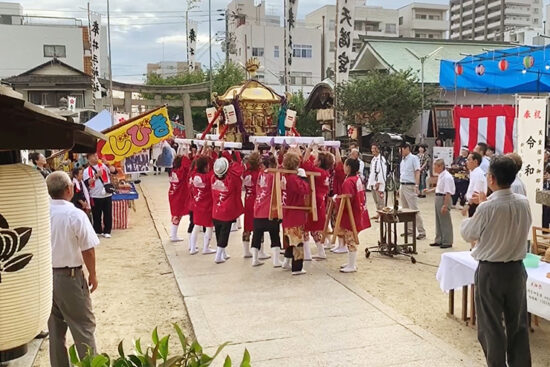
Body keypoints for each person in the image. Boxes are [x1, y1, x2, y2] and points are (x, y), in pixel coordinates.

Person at [461, 156, 532, 367]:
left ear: (491, 178)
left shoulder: (487, 207)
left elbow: (468, 232)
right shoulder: (523, 202)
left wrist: (478, 208)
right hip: (516, 269)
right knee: (517, 324)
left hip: (491, 270)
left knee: (491, 326)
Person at [46, 171, 99, 367]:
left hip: (46, 277)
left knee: (55, 331)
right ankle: (91, 364)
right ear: (69, 189)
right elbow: (88, 250)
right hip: (69, 276)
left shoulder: (42, 212)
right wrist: (93, 274)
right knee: (83, 327)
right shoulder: (74, 214)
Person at [211, 147, 244, 264]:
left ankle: (223, 253)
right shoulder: (231, 180)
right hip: (227, 211)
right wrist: (235, 155)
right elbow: (238, 170)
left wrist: (221, 153)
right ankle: (218, 255)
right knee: (224, 234)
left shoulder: (213, 178)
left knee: (219, 232)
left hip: (216, 210)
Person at [338, 158, 371, 273]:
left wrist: (337, 201)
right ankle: (350, 262)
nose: (343, 166)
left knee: (350, 238)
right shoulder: (356, 179)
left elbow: (347, 198)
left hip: (351, 212)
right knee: (349, 238)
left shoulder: (348, 181)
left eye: (345, 164)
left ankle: (352, 265)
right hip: (357, 210)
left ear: (349, 167)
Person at [301, 144, 334, 260]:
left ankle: (307, 254)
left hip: (313, 200)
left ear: (319, 162)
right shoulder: (326, 172)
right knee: (314, 228)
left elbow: (304, 163)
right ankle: (321, 252)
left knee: (305, 226)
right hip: (320, 201)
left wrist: (309, 149)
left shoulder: (318, 172)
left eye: (316, 159)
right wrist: (314, 150)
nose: (314, 160)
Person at [281, 150, 310, 275]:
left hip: (286, 210)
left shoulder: (283, 176)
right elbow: (304, 189)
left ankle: (286, 261)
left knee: (289, 239)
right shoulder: (293, 178)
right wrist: (303, 177)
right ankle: (297, 267)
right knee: (297, 241)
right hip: (295, 211)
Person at [251, 155, 283, 267]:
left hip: (258, 208)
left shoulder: (261, 174)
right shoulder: (274, 175)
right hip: (269, 209)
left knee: (256, 235)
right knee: (274, 235)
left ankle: (254, 259)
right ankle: (276, 260)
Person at [423, 159, 455, 249]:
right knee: (438, 220)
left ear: (440, 166)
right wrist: (429, 191)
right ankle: (439, 239)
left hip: (443, 198)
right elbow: (439, 188)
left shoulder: (447, 177)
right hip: (438, 197)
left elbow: (447, 192)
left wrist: (445, 205)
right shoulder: (441, 175)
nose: (434, 169)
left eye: (435, 167)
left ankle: (447, 240)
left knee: (445, 220)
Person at [398, 142, 426, 240]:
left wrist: (417, 185)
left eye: (401, 149)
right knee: (405, 209)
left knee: (414, 209)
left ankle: (421, 231)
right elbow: (402, 174)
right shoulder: (403, 160)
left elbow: (417, 172)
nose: (400, 151)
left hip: (410, 185)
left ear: (406, 149)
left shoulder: (414, 158)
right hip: (403, 184)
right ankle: (409, 230)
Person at [83, 153, 114, 238]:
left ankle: (107, 231)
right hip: (95, 195)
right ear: (89, 159)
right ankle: (98, 230)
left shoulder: (103, 165)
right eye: (93, 156)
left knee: (108, 213)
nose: (96, 157)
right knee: (96, 214)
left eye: (96, 155)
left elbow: (114, 171)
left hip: (107, 194)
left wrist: (108, 164)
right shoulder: (87, 170)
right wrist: (96, 176)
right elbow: (87, 183)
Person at [188, 154, 214, 255]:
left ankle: (192, 248)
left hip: (197, 204)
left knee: (196, 225)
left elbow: (195, 164)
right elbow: (215, 168)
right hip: (207, 206)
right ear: (205, 166)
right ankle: (206, 248)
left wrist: (204, 151)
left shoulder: (194, 175)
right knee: (209, 226)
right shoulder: (208, 177)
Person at [242, 150, 264, 259]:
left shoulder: (245, 172)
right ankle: (260, 251)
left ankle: (246, 250)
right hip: (257, 199)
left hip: (248, 198)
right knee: (259, 225)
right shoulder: (259, 173)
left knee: (247, 224)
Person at [168, 154, 194, 243]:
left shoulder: (173, 171)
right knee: (177, 215)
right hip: (179, 196)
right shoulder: (182, 172)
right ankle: (173, 235)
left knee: (175, 214)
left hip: (173, 194)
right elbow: (188, 166)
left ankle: (173, 234)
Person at [462, 152, 487, 218]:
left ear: (475, 161)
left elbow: (476, 192)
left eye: (469, 160)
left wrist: (467, 204)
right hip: (472, 203)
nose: (466, 162)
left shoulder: (479, 174)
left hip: (476, 204)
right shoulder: (473, 172)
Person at [367, 143, 386, 222]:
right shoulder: (374, 159)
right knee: (376, 199)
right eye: (372, 148)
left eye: (374, 148)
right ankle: (378, 212)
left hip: (378, 182)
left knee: (380, 200)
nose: (373, 150)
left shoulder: (381, 159)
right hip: (372, 181)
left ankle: (382, 215)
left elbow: (382, 171)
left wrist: (379, 181)